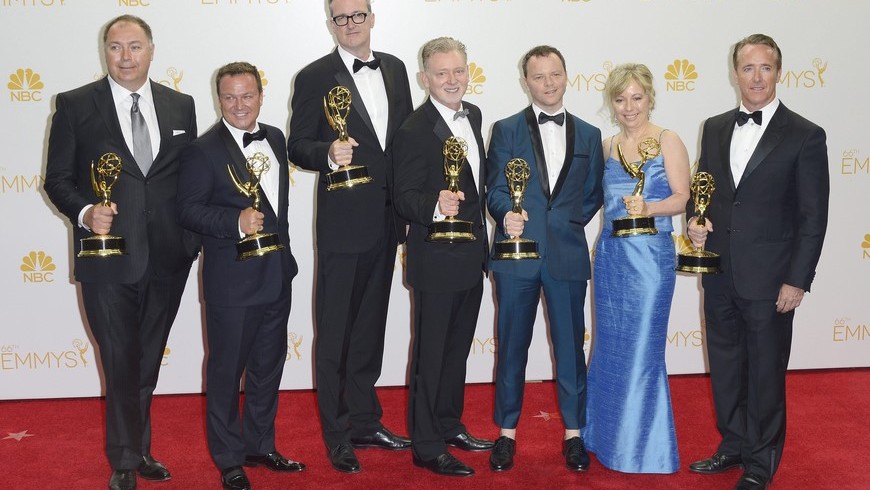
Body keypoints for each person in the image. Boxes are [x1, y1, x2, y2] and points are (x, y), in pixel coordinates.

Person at [43, 15, 198, 490]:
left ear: (152, 51)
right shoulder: (74, 106)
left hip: (169, 256)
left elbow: (186, 178)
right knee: (120, 358)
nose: (126, 57)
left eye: (135, 46)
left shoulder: (181, 105)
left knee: (147, 359)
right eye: (115, 47)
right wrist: (87, 211)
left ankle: (140, 446)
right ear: (103, 52)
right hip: (106, 257)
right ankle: (126, 459)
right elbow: (57, 180)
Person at [687, 34, 829, 490]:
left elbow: (813, 216)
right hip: (720, 271)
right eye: (747, 68)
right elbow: (703, 191)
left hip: (771, 280)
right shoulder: (713, 126)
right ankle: (732, 445)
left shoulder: (806, 134)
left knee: (766, 372)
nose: (756, 77)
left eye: (765, 67)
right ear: (735, 74)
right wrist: (695, 222)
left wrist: (797, 280)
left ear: (779, 72)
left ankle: (761, 463)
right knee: (726, 365)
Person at [286, 0, 414, 474]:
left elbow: (404, 140)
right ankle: (336, 432)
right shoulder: (315, 75)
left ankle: (364, 419)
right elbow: (297, 144)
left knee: (370, 326)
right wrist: (328, 151)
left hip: (388, 218)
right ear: (330, 23)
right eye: (341, 17)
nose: (350, 24)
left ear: (372, 18)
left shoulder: (397, 69)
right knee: (335, 329)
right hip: (343, 223)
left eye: (358, 15)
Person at [176, 62, 305, 490]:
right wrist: (235, 221)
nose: (239, 105)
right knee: (226, 372)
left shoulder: (276, 137)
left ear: (261, 96)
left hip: (276, 275)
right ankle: (229, 458)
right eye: (229, 97)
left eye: (246, 96)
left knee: (268, 368)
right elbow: (188, 210)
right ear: (219, 100)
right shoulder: (202, 149)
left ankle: (260, 445)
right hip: (231, 282)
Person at [485, 45, 604, 473]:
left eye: (555, 75)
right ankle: (506, 433)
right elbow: (495, 188)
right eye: (539, 77)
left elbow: (591, 196)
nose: (548, 84)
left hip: (567, 257)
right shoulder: (505, 129)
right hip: (516, 256)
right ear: (525, 81)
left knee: (571, 351)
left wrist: (565, 226)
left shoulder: (590, 134)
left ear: (567, 76)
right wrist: (507, 214)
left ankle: (575, 434)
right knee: (512, 347)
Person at [581, 63, 690, 474]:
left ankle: (641, 447)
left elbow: (683, 198)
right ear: (612, 102)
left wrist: (651, 206)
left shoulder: (667, 140)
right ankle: (603, 437)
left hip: (651, 259)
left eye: (637, 97)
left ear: (650, 98)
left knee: (642, 350)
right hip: (610, 258)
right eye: (621, 98)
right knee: (609, 348)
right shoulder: (607, 146)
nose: (629, 107)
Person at [392, 36, 493, 477]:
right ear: (424, 78)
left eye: (458, 71)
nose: (451, 80)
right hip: (435, 257)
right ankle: (427, 444)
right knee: (431, 354)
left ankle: (450, 424)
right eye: (441, 73)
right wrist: (435, 206)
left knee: (456, 351)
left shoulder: (473, 115)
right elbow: (403, 197)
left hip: (471, 256)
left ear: (468, 73)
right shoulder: (414, 129)